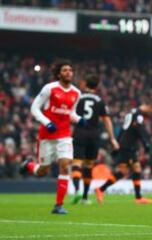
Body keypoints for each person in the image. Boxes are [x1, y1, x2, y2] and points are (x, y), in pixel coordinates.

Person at [20, 59, 86, 214]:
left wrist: (79, 119)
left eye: (70, 70)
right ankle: (28, 165)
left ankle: (58, 205)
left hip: (64, 135)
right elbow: (34, 108)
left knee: (65, 165)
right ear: (58, 73)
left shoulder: (76, 93)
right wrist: (47, 122)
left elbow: (71, 113)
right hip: (46, 136)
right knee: (43, 171)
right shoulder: (49, 88)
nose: (68, 72)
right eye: (64, 70)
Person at [71, 74, 119, 205]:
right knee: (88, 165)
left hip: (79, 133)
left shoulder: (78, 97)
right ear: (97, 86)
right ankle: (85, 198)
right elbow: (107, 120)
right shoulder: (99, 101)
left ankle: (76, 191)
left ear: (85, 84)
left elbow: (70, 114)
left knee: (76, 163)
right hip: (93, 135)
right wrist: (112, 138)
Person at [95, 104, 152, 204]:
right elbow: (139, 129)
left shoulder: (131, 113)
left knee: (124, 171)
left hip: (125, 145)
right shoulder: (138, 115)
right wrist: (146, 143)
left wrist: (117, 144)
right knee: (135, 168)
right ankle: (138, 197)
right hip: (128, 146)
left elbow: (123, 129)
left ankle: (101, 189)